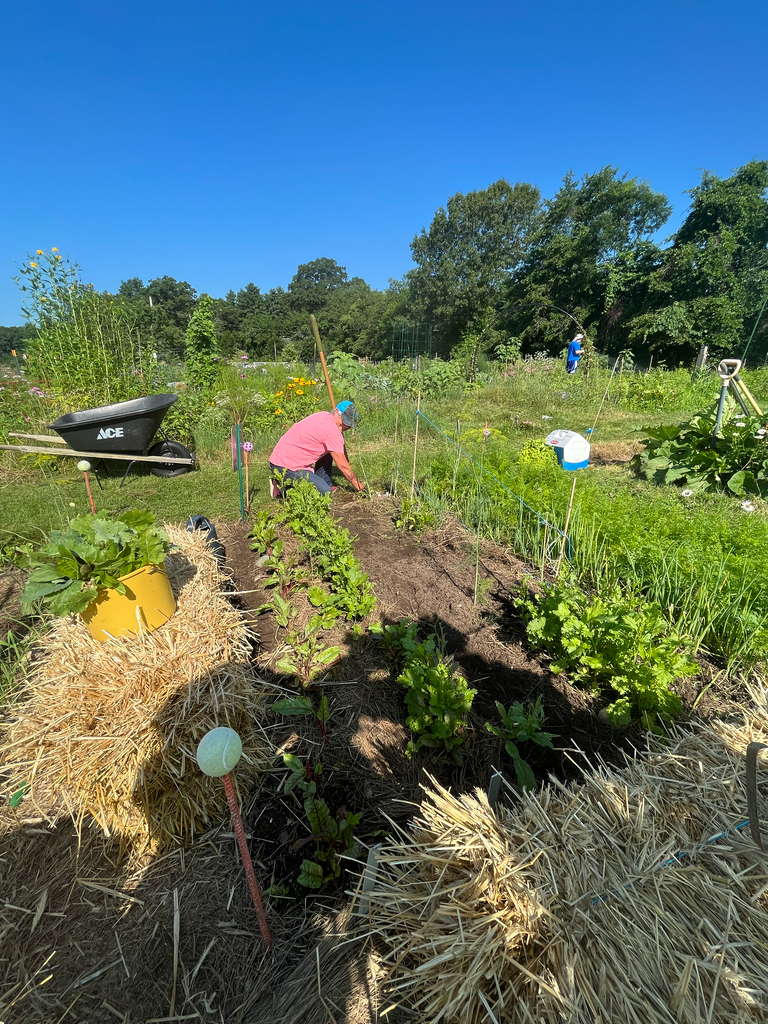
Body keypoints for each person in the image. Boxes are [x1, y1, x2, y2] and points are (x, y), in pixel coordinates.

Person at [268, 400, 365, 497]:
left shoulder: (324, 416)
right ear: (336, 412)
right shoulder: (332, 433)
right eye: (343, 421)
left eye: (348, 424)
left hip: (283, 456)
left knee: (332, 449)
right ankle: (280, 485)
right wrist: (361, 489)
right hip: (285, 466)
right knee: (323, 492)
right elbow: (343, 467)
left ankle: (324, 481)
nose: (344, 426)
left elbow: (340, 454)